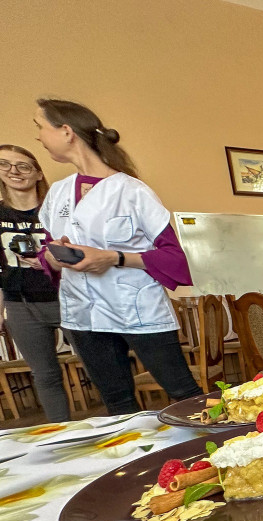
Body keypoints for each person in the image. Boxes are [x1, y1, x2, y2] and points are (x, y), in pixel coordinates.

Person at [33, 99, 202, 415]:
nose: (38, 136)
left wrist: (112, 258)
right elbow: (46, 249)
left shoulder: (132, 191)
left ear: (66, 131)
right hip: (82, 312)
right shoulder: (57, 193)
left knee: (185, 394)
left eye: (40, 127)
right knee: (117, 402)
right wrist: (54, 258)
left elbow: (173, 258)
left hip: (136, 307)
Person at [0, 144, 69, 422]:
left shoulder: (56, 211)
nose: (14, 171)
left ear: (38, 173)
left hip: (67, 298)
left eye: (23, 165)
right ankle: (63, 434)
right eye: (4, 164)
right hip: (21, 305)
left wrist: (51, 262)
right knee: (45, 375)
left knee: (97, 366)